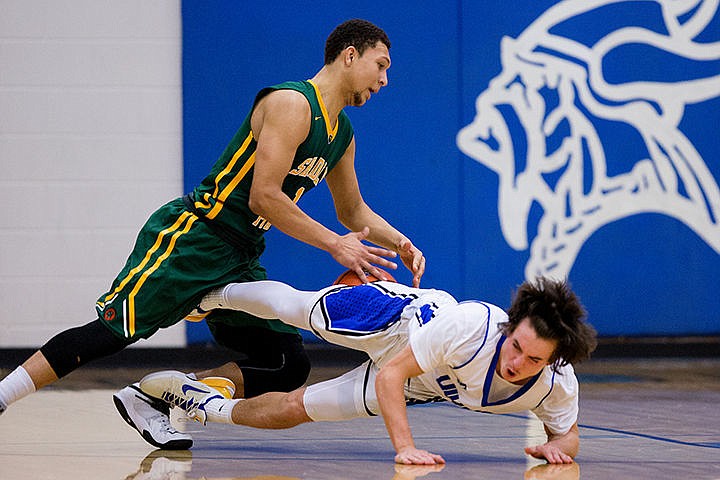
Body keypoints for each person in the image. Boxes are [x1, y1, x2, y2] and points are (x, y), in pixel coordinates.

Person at [0, 19, 425, 450]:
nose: (384, 80)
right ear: (350, 55)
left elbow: (351, 209)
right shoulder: (292, 103)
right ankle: (4, 394)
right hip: (197, 236)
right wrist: (334, 243)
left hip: (241, 254)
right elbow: (264, 197)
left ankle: (155, 398)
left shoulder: (343, 135)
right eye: (381, 65)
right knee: (110, 333)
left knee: (285, 362)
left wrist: (400, 242)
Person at [136, 276, 597, 465]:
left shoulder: (557, 385)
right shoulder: (472, 327)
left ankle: (202, 404)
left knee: (298, 409)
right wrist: (406, 447)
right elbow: (390, 374)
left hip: (417, 383)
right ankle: (215, 296)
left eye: (533, 359)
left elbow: (569, 432)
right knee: (300, 310)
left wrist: (556, 448)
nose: (518, 363)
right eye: (516, 347)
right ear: (509, 327)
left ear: (553, 361)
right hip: (399, 327)